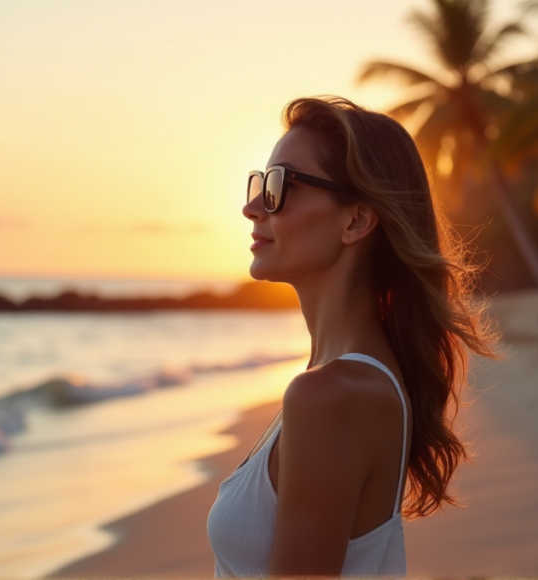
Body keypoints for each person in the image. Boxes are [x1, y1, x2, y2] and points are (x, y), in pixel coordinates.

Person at [206, 96, 498, 576]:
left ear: (356, 220)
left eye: (279, 186)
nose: (252, 207)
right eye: (258, 182)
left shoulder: (331, 394)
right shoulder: (343, 380)